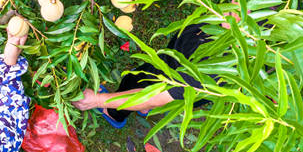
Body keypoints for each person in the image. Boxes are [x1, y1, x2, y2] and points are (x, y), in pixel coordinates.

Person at [72, 24, 212, 128]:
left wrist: (97, 100)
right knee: (170, 96)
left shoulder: (208, 71)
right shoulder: (227, 17)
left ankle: (114, 113)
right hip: (178, 59)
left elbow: (155, 95)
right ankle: (146, 107)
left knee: (135, 82)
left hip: (175, 75)